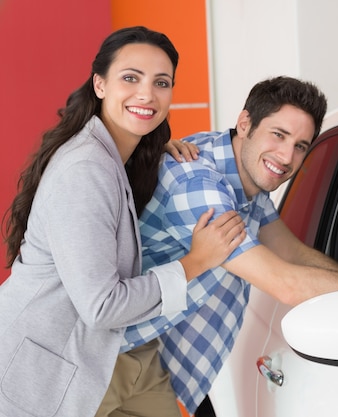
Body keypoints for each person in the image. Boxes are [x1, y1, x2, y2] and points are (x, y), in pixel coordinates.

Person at [120, 76, 338, 415]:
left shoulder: (245, 175)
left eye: (301, 145)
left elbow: (294, 253)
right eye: (279, 135)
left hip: (165, 366)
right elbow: (288, 284)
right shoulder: (198, 185)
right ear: (245, 123)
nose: (287, 157)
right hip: (118, 361)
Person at [0, 26, 245, 417]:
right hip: (39, 370)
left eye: (161, 82)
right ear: (100, 84)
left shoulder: (116, 154)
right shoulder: (85, 169)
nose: (147, 94)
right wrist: (196, 262)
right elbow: (102, 306)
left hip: (107, 358)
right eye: (131, 78)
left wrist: (154, 147)